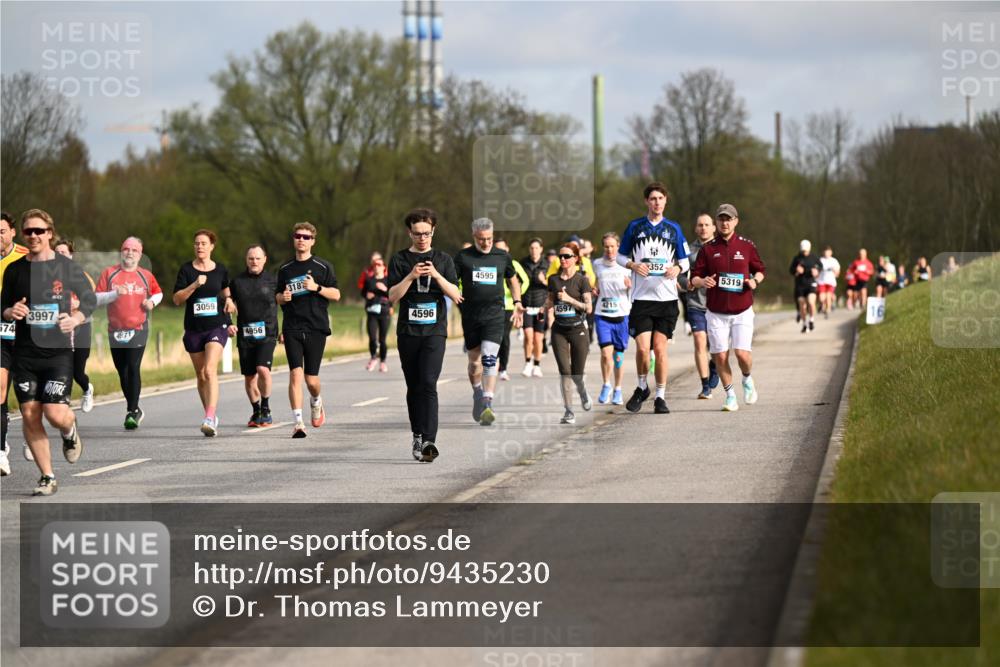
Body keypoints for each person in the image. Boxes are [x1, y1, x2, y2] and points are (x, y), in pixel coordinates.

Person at [1, 209, 94, 495]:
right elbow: (3, 306)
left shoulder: (66, 267)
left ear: (49, 233)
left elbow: (89, 299)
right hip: (24, 354)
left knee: (55, 413)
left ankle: (69, 430)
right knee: (30, 413)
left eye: (39, 231)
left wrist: (76, 318)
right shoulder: (15, 270)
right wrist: (10, 311)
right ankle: (47, 476)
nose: (33, 236)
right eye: (28, 231)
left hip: (57, 354)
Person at [387, 208, 462, 462]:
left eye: (426, 233)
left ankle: (429, 441)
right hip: (408, 332)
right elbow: (392, 296)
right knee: (414, 386)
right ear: (409, 233)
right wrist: (411, 276)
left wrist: (437, 275)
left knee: (429, 383)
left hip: (434, 332)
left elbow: (456, 295)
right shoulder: (399, 259)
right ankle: (417, 434)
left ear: (433, 231)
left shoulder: (443, 259)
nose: (422, 238)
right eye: (417, 233)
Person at [617, 181, 690, 414]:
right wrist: (633, 265)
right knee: (642, 349)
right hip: (642, 299)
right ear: (646, 202)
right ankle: (642, 387)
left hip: (667, 300)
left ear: (665, 201)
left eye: (660, 198)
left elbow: (685, 261)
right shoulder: (635, 227)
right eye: (653, 199)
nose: (657, 202)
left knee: (659, 350)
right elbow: (619, 256)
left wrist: (677, 269)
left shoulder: (674, 229)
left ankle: (660, 396)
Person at [690, 204, 766, 412]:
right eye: (721, 219)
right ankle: (730, 396)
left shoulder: (746, 246)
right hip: (716, 312)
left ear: (736, 221)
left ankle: (747, 378)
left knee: (742, 354)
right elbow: (694, 277)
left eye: (728, 219)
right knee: (720, 356)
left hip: (742, 310)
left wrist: (755, 281)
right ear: (716, 222)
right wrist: (702, 281)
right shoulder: (708, 249)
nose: (725, 223)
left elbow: (760, 269)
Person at [453, 218, 524, 426]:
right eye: (481, 239)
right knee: (475, 362)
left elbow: (513, 280)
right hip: (471, 316)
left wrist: (518, 301)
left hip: (495, 315)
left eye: (489, 239)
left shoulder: (502, 256)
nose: (486, 243)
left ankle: (487, 402)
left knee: (490, 357)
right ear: (474, 236)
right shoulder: (463, 257)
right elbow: (451, 282)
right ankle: (477, 393)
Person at [276, 222, 340, 438]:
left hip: (316, 326)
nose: (301, 240)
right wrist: (282, 297)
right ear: (293, 239)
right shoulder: (285, 269)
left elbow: (336, 294)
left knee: (311, 379)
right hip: (292, 326)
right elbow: (277, 296)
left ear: (313, 241)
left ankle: (316, 400)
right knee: (295, 373)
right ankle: (298, 423)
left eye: (306, 237)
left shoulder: (323, 267)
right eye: (298, 236)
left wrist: (316, 288)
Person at [95, 237, 163, 430]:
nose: (130, 253)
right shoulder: (109, 273)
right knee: (122, 370)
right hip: (115, 330)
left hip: (138, 328)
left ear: (140, 254)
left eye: (134, 250)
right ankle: (134, 407)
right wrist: (115, 294)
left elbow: (158, 293)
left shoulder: (145, 275)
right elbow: (96, 298)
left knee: (133, 366)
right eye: (126, 249)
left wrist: (152, 302)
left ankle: (131, 411)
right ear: (121, 251)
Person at [173, 229, 234, 437]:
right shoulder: (186, 270)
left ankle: (209, 417)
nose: (199, 246)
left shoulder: (221, 270)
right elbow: (177, 299)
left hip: (216, 327)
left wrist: (230, 301)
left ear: (211, 247)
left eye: (203, 243)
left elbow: (226, 292)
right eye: (197, 243)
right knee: (200, 375)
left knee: (209, 371)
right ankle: (210, 414)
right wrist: (194, 285)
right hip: (193, 329)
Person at [228, 244, 278, 428]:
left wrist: (285, 331)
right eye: (251, 258)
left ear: (265, 259)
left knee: (262, 369)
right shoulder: (237, 282)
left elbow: (286, 303)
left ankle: (266, 408)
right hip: (245, 335)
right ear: (246, 260)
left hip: (268, 333)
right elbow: (226, 302)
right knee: (249, 377)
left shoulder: (273, 281)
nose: (254, 262)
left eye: (257, 258)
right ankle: (256, 411)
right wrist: (229, 323)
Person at [53, 239, 103, 413]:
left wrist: (78, 304)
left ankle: (87, 389)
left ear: (71, 255)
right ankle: (62, 407)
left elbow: (92, 299)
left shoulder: (81, 274)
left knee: (77, 372)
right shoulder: (49, 275)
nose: (60, 256)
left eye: (64, 252)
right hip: (59, 328)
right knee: (62, 369)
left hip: (82, 325)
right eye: (57, 253)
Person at [546, 242, 592, 424]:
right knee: (564, 371)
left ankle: (582, 391)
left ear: (576, 258)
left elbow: (588, 308)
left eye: (567, 256)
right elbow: (550, 301)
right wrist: (542, 309)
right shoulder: (553, 280)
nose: (563, 259)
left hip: (578, 329)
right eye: (561, 256)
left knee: (576, 374)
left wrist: (569, 299)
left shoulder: (582, 280)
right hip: (559, 330)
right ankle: (569, 411)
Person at [677, 214, 719, 400]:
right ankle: (705, 386)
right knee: (699, 340)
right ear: (696, 228)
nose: (703, 228)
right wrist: (687, 283)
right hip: (696, 303)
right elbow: (680, 274)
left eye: (707, 225)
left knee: (717, 346)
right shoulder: (688, 251)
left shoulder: (722, 248)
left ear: (714, 228)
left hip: (719, 305)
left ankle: (714, 366)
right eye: (700, 225)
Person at [1, 211, 29, 476]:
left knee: (27, 395)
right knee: (0, 389)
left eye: (1, 232)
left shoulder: (26, 255)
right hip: (1, 332)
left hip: (25, 335)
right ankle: (0, 450)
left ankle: (32, 433)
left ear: (12, 232)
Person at [592, 232, 632, 405]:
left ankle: (618, 389)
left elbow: (635, 288)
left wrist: (630, 286)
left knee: (618, 357)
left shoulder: (626, 265)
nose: (609, 250)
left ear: (618, 246)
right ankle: (606, 384)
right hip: (603, 314)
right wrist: (594, 289)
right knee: (605, 353)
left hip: (622, 315)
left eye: (612, 246)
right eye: (606, 246)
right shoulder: (597, 264)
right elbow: (595, 283)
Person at [493, 238, 528, 381]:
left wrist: (515, 295)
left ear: (507, 249)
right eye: (497, 248)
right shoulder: (490, 263)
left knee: (504, 336)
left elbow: (525, 281)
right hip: (492, 305)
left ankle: (503, 368)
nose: (500, 251)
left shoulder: (514, 264)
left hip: (508, 306)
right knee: (492, 336)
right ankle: (492, 364)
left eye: (503, 248)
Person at [519, 238, 548, 378]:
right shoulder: (523, 263)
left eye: (536, 248)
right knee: (528, 336)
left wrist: (544, 281)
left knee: (538, 338)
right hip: (526, 306)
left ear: (541, 249)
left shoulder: (547, 264)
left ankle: (537, 365)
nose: (534, 250)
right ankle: (527, 363)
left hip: (541, 307)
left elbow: (553, 285)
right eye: (532, 248)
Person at [363, 256, 392, 373]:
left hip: (384, 313)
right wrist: (367, 296)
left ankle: (383, 362)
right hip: (372, 312)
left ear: (384, 267)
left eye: (379, 265)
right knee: (372, 338)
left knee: (382, 339)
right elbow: (363, 293)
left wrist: (385, 289)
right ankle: (373, 357)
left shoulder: (388, 280)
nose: (376, 267)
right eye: (374, 265)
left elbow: (393, 295)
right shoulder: (369, 280)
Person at [789, 240, 822, 333]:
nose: (804, 253)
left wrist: (817, 271)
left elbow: (820, 266)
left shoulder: (814, 257)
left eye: (806, 251)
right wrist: (796, 270)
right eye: (803, 251)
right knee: (802, 305)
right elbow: (791, 270)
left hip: (811, 283)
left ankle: (811, 320)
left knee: (811, 302)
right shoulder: (797, 258)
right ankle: (804, 324)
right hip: (800, 285)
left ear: (809, 249)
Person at [817, 245, 841, 318]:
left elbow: (838, 272)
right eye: (825, 252)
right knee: (821, 298)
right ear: (823, 253)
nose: (826, 254)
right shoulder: (820, 260)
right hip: (822, 281)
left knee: (828, 296)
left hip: (831, 282)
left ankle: (827, 311)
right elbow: (816, 270)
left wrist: (835, 272)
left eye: (828, 252)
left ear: (831, 253)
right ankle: (822, 305)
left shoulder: (834, 261)